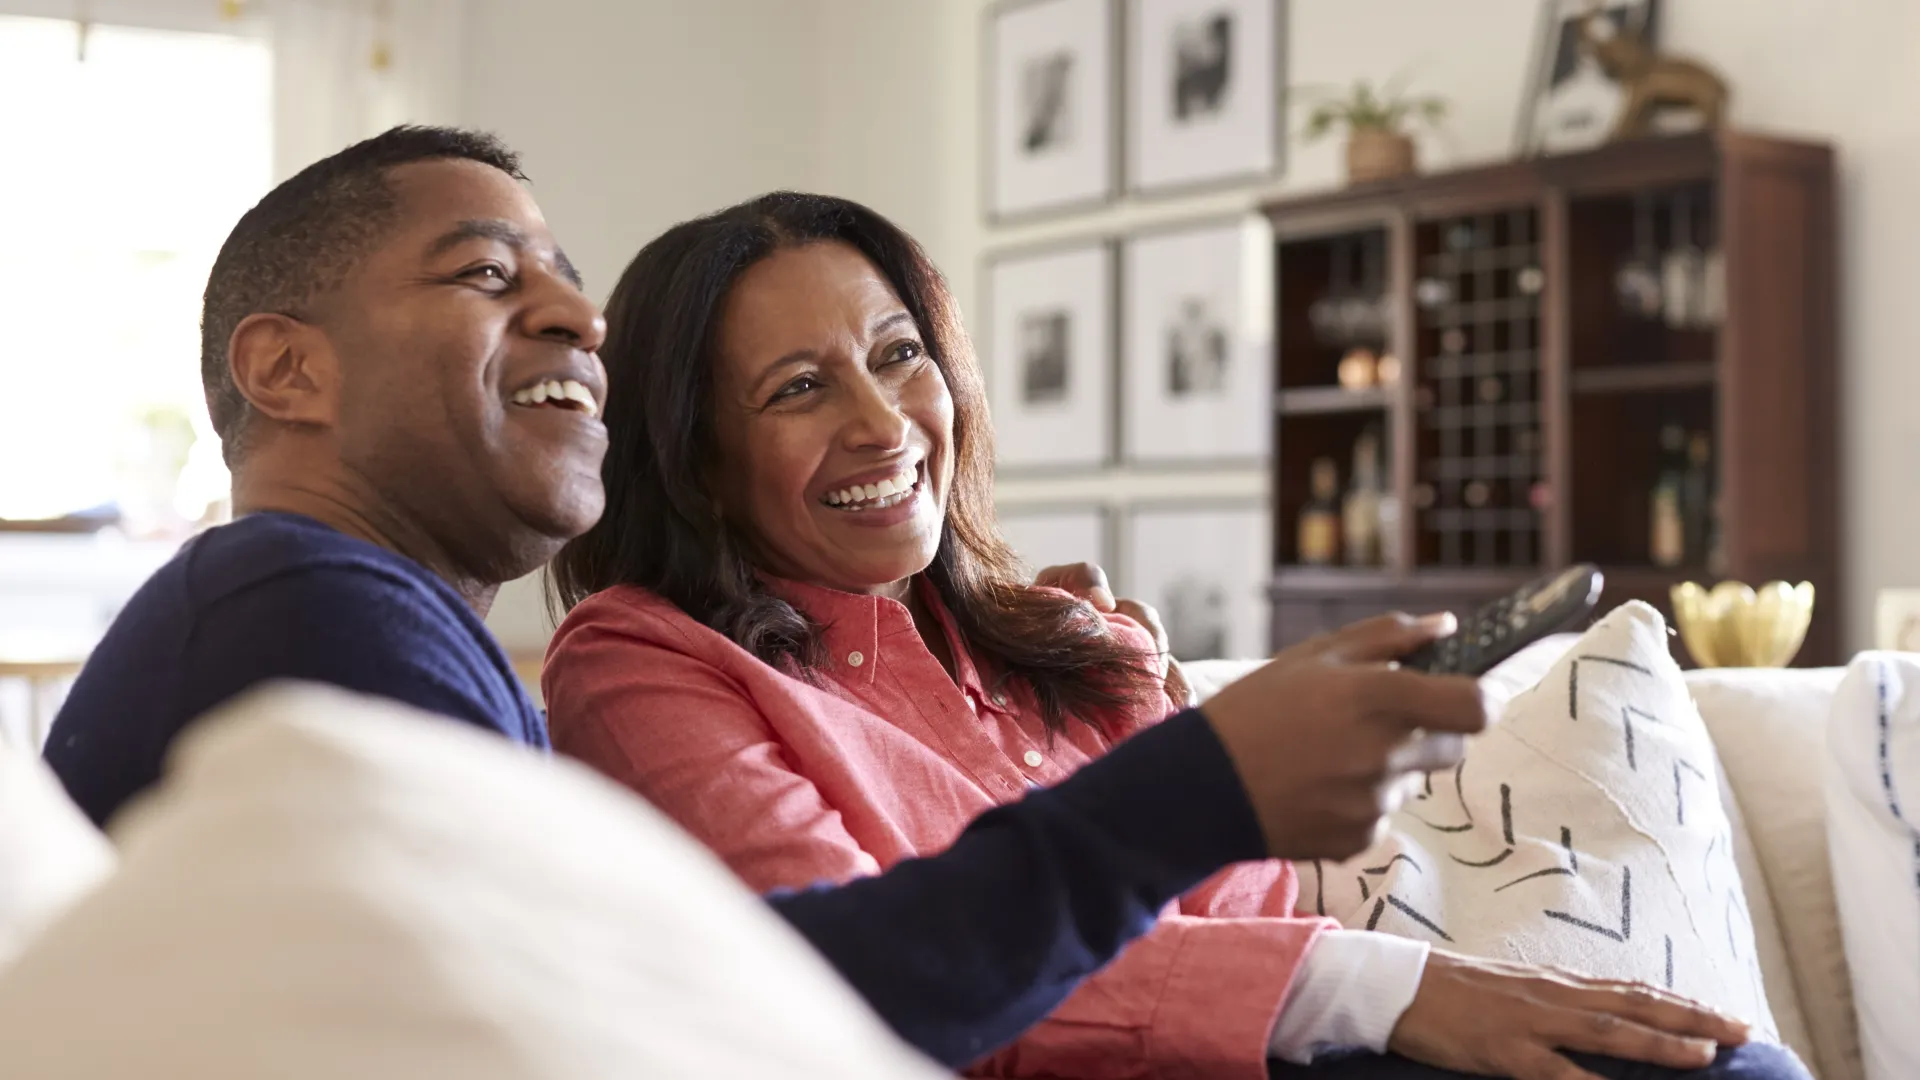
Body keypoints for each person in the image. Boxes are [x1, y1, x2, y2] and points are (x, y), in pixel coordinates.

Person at [44, 125, 1493, 1071]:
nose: (577, 318)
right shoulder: (303, 609)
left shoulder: (384, 633)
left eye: (567, 280)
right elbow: (754, 1026)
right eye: (490, 277)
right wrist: (1205, 786)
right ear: (286, 371)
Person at [540, 192, 1807, 1080]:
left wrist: (1146, 701)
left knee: (1735, 1061)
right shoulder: (641, 659)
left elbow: (1239, 909)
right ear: (697, 460)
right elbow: (877, 983)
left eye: (900, 355)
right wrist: (1389, 988)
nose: (886, 423)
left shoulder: (1049, 637)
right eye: (799, 388)